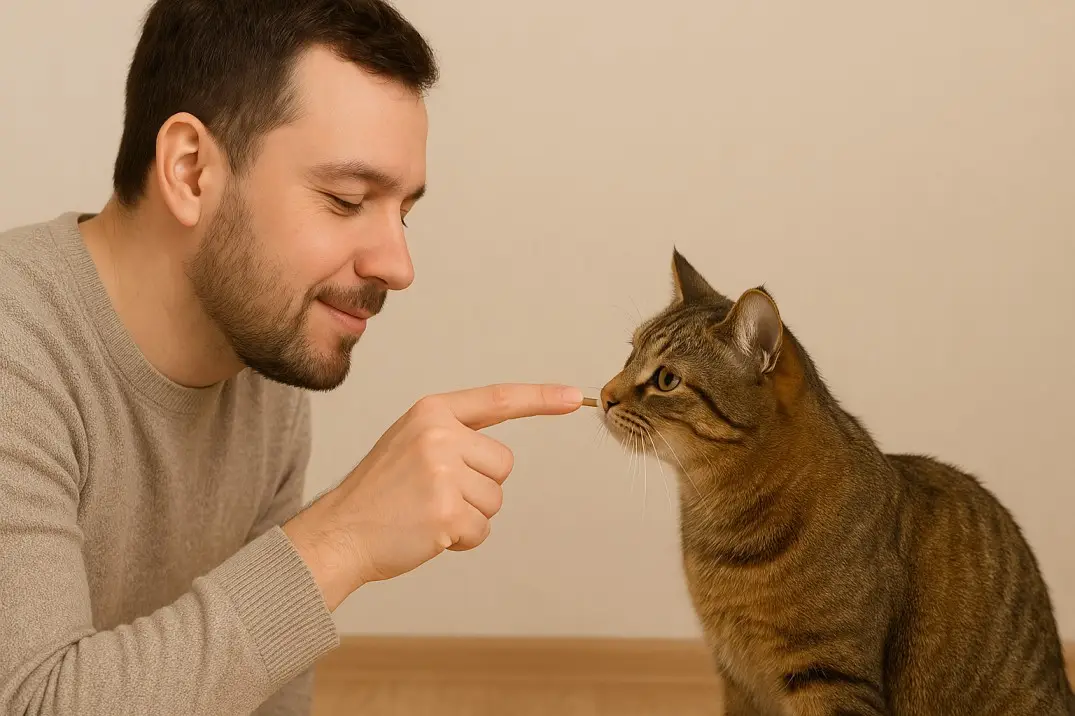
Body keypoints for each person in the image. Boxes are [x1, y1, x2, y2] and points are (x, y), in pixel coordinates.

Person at [0, 1, 584, 714]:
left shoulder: (262, 367)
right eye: (345, 200)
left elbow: (258, 693)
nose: (398, 265)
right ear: (189, 171)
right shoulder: (15, 345)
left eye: (403, 212)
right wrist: (339, 541)